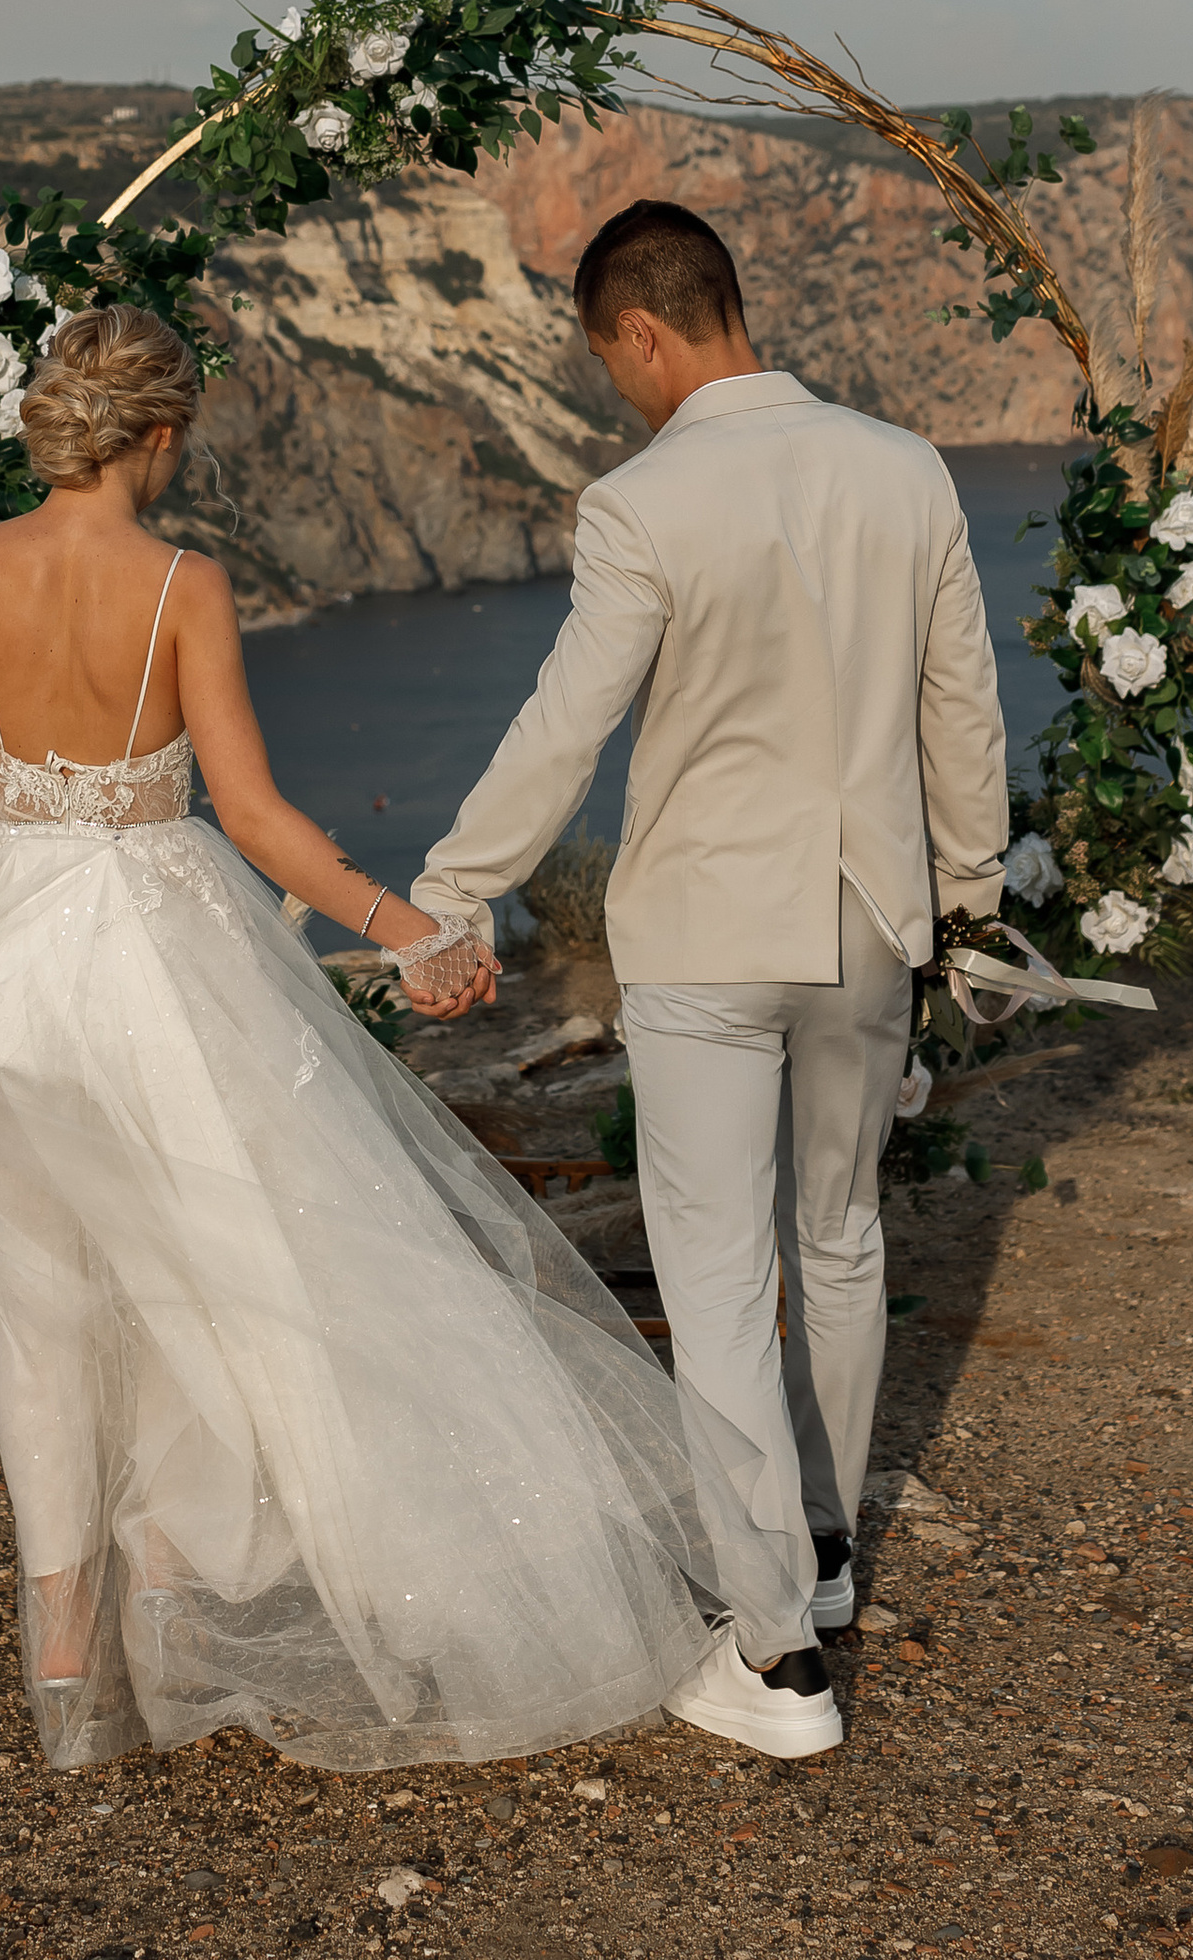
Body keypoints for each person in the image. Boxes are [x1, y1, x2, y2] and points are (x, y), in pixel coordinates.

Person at [0, 302, 721, 1775]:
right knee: (197, 1280)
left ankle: (65, 1667)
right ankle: (176, 1625)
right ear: (162, 435)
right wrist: (409, 927)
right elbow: (251, 818)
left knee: (38, 1310)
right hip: (152, 957)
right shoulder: (183, 584)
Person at [409, 198, 1009, 1761]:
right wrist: (970, 894)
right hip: (872, 919)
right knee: (843, 1235)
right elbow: (964, 708)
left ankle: (779, 1666)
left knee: (722, 1278)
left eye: (614, 358)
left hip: (705, 937)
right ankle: (820, 1553)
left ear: (644, 333)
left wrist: (454, 891)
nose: (621, 385)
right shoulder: (906, 468)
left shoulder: (643, 503)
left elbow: (566, 725)